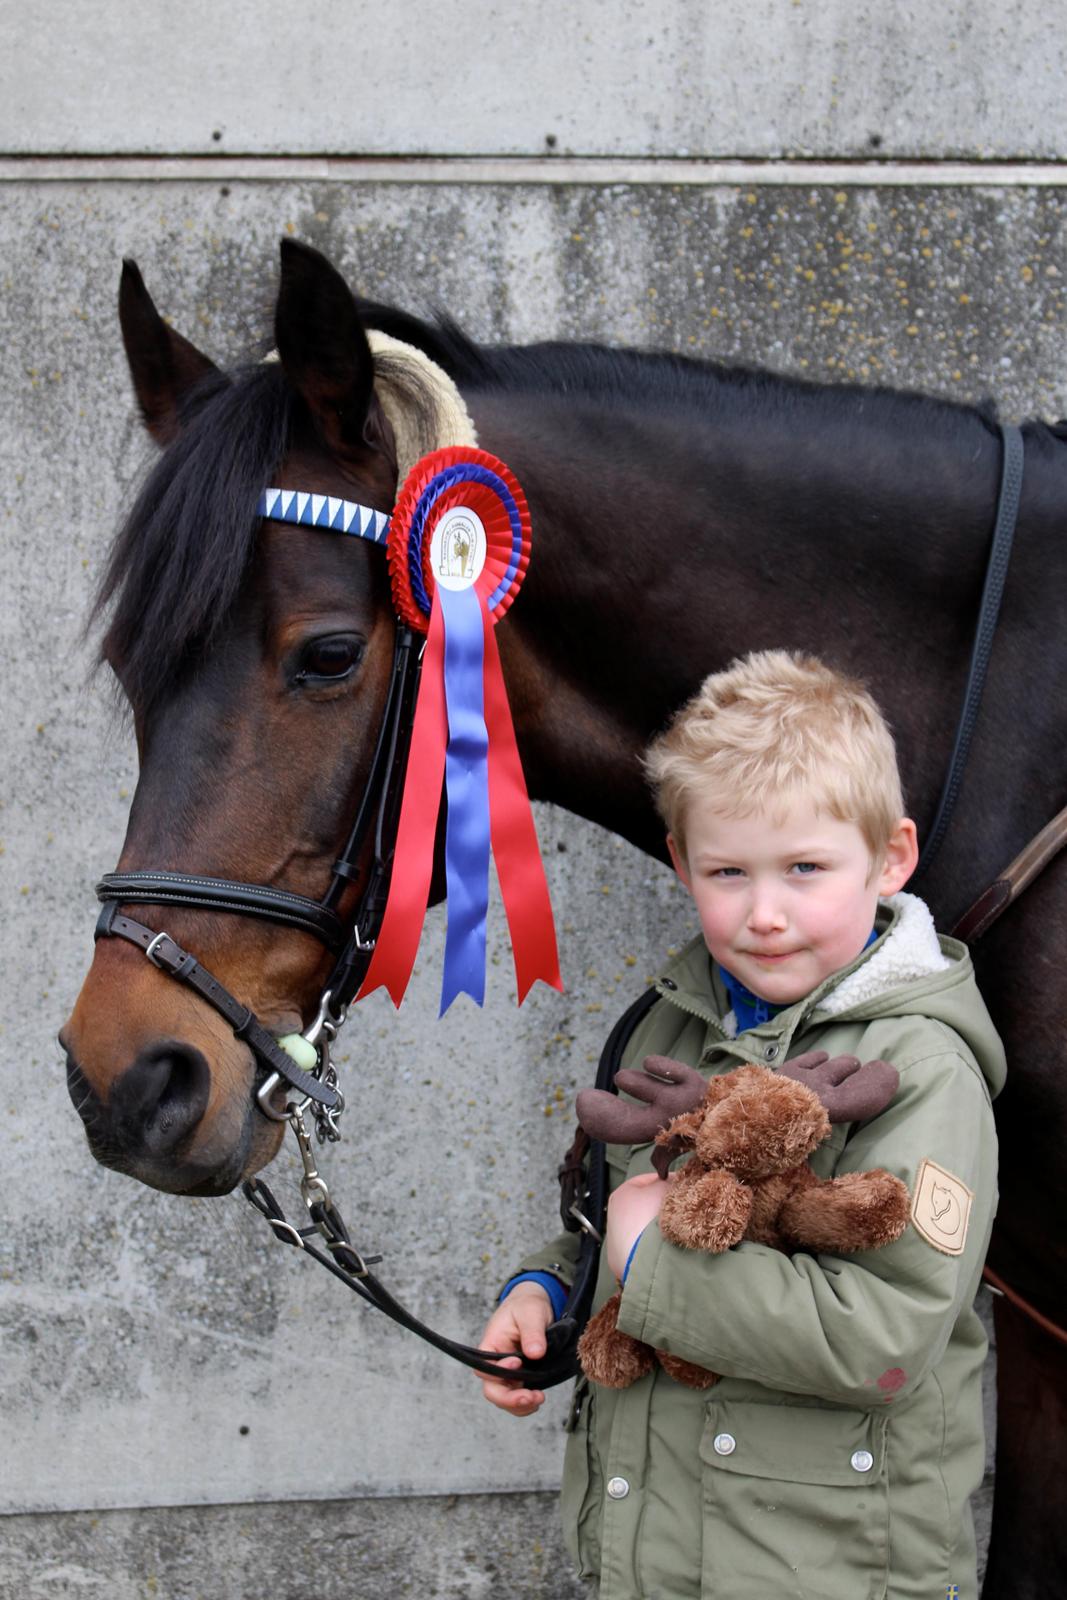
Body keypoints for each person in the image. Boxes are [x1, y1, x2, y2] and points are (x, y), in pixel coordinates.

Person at [477, 649, 1004, 1600]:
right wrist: (547, 1292)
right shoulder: (670, 1021)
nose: (764, 914)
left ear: (888, 857)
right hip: (653, 1552)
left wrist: (651, 1272)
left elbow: (885, 1337)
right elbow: (618, 1213)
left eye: (805, 868)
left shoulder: (920, 1069)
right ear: (681, 863)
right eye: (728, 871)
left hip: (827, 1571)